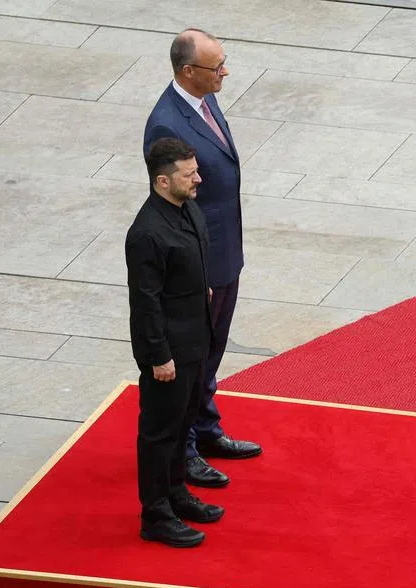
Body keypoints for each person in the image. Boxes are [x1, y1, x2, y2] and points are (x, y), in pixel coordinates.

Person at [144, 27, 261, 490]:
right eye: (217, 67)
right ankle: (186, 449)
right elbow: (175, 206)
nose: (225, 72)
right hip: (200, 263)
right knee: (192, 359)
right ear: (189, 71)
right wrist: (196, 272)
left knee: (211, 352)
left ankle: (206, 429)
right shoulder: (167, 124)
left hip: (223, 249)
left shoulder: (203, 98)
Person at [127, 138, 227, 548]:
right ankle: (155, 515)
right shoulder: (147, 233)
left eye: (196, 170)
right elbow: (145, 302)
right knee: (160, 433)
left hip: (194, 341)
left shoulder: (188, 209)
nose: (198, 178)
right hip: (168, 353)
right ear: (163, 181)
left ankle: (176, 493)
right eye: (189, 174)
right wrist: (159, 356)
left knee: (182, 424)